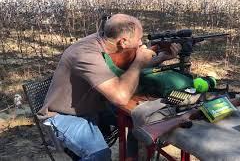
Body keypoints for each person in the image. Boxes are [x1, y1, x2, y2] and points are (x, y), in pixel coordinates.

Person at [37, 13, 182, 161]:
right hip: (65, 115)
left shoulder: (106, 42)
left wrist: (160, 58)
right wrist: (139, 62)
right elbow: (121, 97)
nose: (141, 44)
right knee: (99, 155)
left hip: (94, 106)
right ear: (123, 42)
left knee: (138, 120)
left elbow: (125, 68)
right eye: (139, 39)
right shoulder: (86, 54)